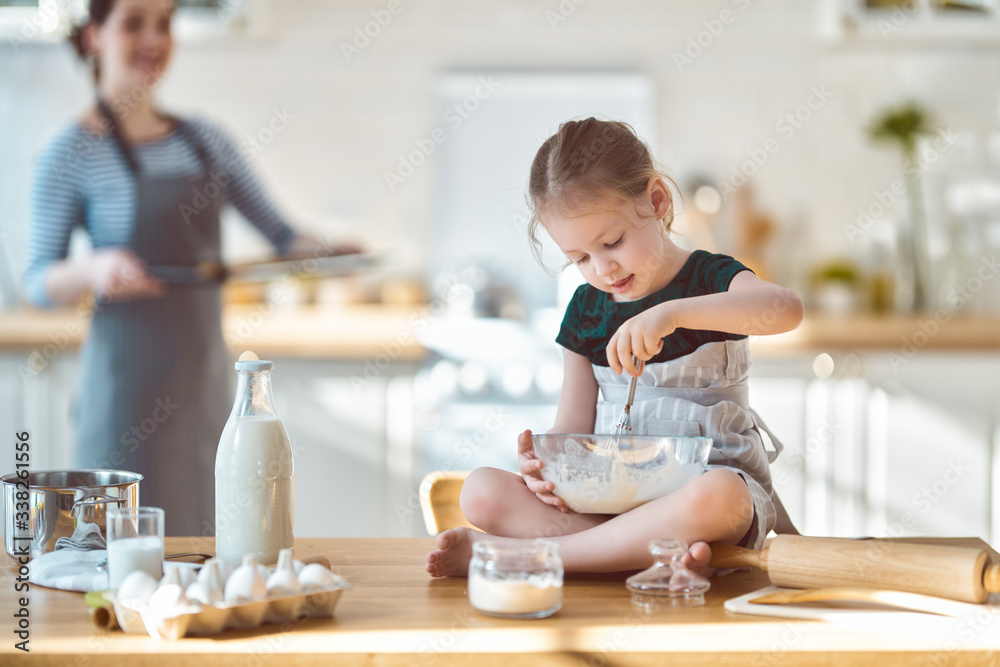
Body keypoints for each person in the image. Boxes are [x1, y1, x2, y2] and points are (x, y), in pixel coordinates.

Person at [24, 0, 353, 535]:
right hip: (122, 401)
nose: (153, 38)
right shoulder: (71, 153)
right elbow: (38, 281)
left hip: (204, 393)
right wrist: (94, 268)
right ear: (93, 37)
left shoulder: (205, 142)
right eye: (134, 22)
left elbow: (283, 237)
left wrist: (336, 252)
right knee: (116, 553)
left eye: (164, 22)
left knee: (203, 549)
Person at [426, 118, 803, 577]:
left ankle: (536, 557)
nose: (603, 269)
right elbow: (573, 426)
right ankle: (649, 554)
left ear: (657, 201)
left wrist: (675, 313)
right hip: (611, 506)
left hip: (707, 495)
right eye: (580, 258)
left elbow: (786, 309)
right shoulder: (587, 310)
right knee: (480, 490)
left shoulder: (710, 277)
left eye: (612, 242)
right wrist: (545, 464)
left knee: (720, 494)